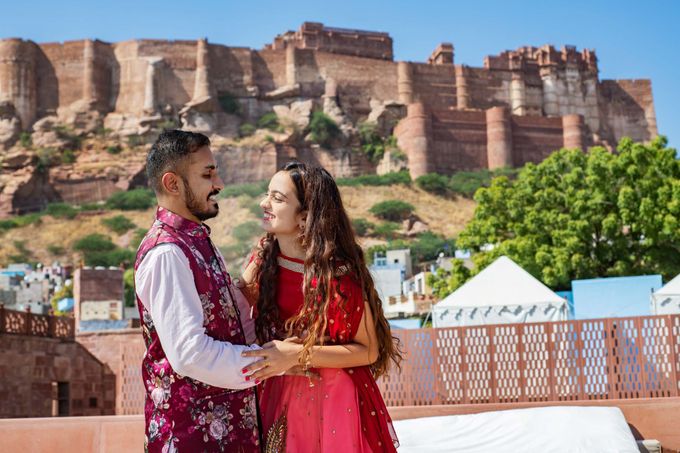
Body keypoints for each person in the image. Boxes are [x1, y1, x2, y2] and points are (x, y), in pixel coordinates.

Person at [240, 161, 402, 452]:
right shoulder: (261, 261)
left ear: (304, 217)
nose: (264, 203)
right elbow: (236, 320)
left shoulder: (336, 274)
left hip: (336, 402)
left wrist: (297, 354)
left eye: (277, 198)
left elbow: (368, 350)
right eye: (268, 194)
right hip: (277, 394)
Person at [134, 130, 262, 452]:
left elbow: (227, 328)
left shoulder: (196, 243)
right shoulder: (167, 253)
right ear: (173, 184)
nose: (218, 184)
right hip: (191, 438)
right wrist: (268, 362)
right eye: (208, 174)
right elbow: (190, 354)